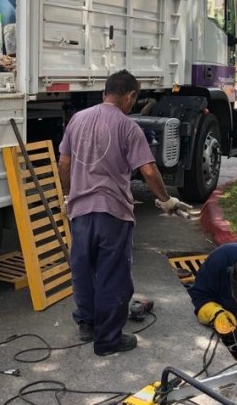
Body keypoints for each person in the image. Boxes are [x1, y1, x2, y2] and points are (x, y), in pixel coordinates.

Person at [58, 70, 190, 356]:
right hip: (112, 213)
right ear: (129, 96)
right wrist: (166, 200)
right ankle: (108, 340)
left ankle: (87, 325)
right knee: (112, 276)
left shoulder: (77, 120)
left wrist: (68, 195)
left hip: (80, 211)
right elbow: (148, 170)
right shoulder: (128, 127)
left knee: (83, 270)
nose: (133, 104)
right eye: (135, 99)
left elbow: (64, 163)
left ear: (105, 91)